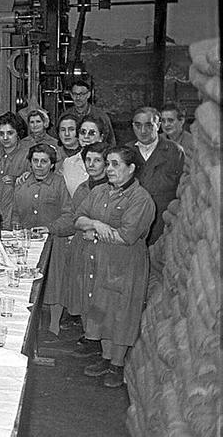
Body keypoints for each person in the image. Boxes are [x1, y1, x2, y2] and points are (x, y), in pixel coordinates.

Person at [73, 145, 155, 388]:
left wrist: (94, 232)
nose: (109, 169)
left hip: (125, 264)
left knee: (121, 312)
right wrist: (96, 225)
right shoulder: (99, 191)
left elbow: (127, 236)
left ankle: (117, 365)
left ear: (131, 169)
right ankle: (105, 357)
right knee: (101, 308)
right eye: (107, 163)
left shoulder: (141, 199)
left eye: (115, 164)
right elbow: (78, 218)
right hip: (101, 261)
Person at [58, 142, 109, 348]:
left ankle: (98, 340)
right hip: (81, 244)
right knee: (83, 290)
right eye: (88, 160)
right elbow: (73, 215)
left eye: (97, 160)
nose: (92, 164)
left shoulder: (110, 188)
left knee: (98, 294)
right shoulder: (82, 187)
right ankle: (88, 333)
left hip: (102, 247)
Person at [131, 107, 185, 245]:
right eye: (138, 125)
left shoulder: (174, 152)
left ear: (158, 125)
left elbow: (184, 192)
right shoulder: (126, 152)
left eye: (149, 125)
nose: (143, 131)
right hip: (132, 226)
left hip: (163, 227)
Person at [13, 144, 73, 234]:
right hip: (25, 239)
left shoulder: (59, 183)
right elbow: (15, 214)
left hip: (52, 238)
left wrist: (50, 228)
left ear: (52, 164)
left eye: (44, 161)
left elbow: (69, 215)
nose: (39, 165)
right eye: (35, 161)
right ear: (30, 162)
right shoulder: (22, 183)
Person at [64, 81, 116, 145]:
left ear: (88, 95)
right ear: (71, 95)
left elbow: (110, 141)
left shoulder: (101, 116)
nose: (78, 98)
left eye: (81, 94)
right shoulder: (65, 116)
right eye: (75, 94)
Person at [0, 112, 31, 184]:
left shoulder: (28, 155)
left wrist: (17, 181)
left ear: (18, 133)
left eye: (10, 133)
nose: (5, 138)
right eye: (1, 134)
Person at [55, 113, 86, 196]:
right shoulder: (52, 156)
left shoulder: (87, 155)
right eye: (63, 130)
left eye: (71, 129)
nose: (67, 134)